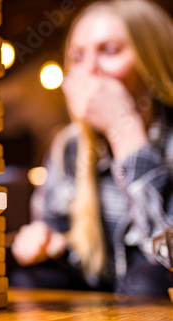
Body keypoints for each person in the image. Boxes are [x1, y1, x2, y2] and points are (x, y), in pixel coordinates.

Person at [10, 0, 173, 297]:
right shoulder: (69, 148)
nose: (89, 70)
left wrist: (124, 129)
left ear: (151, 59)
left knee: (146, 282)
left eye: (109, 50)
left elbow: (167, 254)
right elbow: (62, 237)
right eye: (77, 57)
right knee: (29, 279)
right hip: (99, 293)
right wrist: (47, 241)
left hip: (149, 289)